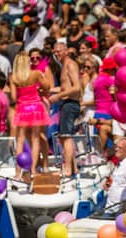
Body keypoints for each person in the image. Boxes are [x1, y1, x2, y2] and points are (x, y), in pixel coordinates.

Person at [10, 51, 51, 178]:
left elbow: (13, 97)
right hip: (36, 108)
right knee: (35, 139)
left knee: (20, 141)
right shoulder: (36, 74)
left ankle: (17, 172)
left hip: (22, 108)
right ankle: (33, 170)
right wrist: (38, 88)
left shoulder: (13, 77)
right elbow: (47, 86)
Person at [50, 41, 85, 177]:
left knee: (66, 136)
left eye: (59, 51)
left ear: (66, 51)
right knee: (64, 137)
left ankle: (68, 169)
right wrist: (50, 90)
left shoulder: (70, 65)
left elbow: (77, 88)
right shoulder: (64, 66)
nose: (56, 54)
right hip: (67, 103)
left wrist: (58, 96)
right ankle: (74, 168)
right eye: (55, 52)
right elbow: (66, 87)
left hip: (70, 103)